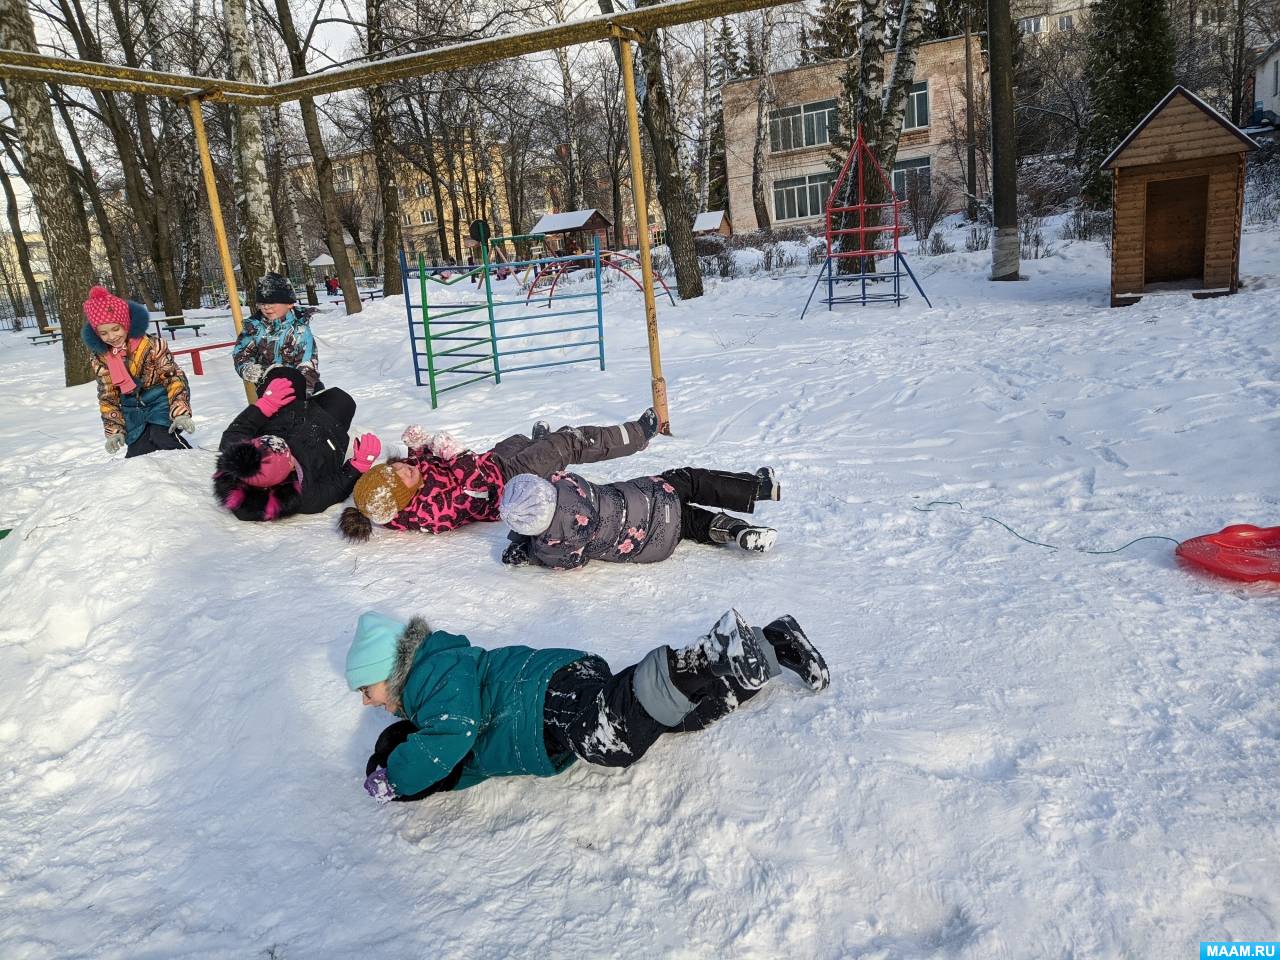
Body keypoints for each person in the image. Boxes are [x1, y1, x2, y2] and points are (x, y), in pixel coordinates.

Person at [347, 607, 830, 803]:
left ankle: (706, 653)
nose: (370, 703)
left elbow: (450, 735)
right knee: (673, 716)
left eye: (366, 690)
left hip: (544, 695)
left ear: (388, 672)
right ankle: (771, 646)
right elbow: (461, 757)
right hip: (552, 702)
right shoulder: (435, 693)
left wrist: (397, 777)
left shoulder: (433, 676)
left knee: (610, 740)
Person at [337, 411, 660, 542]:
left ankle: (538, 447)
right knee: (567, 442)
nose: (403, 469)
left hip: (494, 461)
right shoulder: (432, 512)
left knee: (519, 441)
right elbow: (477, 489)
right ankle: (636, 435)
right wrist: (458, 455)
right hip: (506, 484)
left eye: (395, 467)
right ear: (404, 500)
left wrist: (419, 447)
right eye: (401, 477)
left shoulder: (411, 482)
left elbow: (424, 469)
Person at [498, 466, 781, 570]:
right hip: (653, 495)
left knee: (687, 523)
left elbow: (574, 561)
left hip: (654, 544)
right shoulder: (569, 484)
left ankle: (731, 530)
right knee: (691, 481)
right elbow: (551, 475)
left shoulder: (553, 548)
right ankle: (757, 489)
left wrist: (528, 549)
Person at [213, 367, 379, 522]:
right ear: (289, 469)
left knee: (286, 376)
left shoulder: (236, 456)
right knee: (341, 400)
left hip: (286, 418)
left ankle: (307, 396)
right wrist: (358, 465)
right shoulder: (305, 497)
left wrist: (265, 405)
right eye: (286, 452)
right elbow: (335, 488)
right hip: (325, 436)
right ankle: (317, 397)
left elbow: (237, 431)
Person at [81, 285, 194, 458]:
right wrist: (115, 431)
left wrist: (180, 412)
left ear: (125, 323)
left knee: (162, 437)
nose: (111, 337)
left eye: (115, 329)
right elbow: (108, 396)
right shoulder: (101, 357)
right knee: (139, 452)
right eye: (103, 333)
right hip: (132, 409)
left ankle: (192, 465)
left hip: (160, 400)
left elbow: (173, 378)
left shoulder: (152, 345)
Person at [232, 272, 321, 396]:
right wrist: (247, 368)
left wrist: (302, 393)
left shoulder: (299, 329)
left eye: (272, 302)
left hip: (301, 387)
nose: (266, 307)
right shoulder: (254, 328)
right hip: (269, 387)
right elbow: (242, 353)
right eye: (262, 303)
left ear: (289, 303)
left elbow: (307, 361)